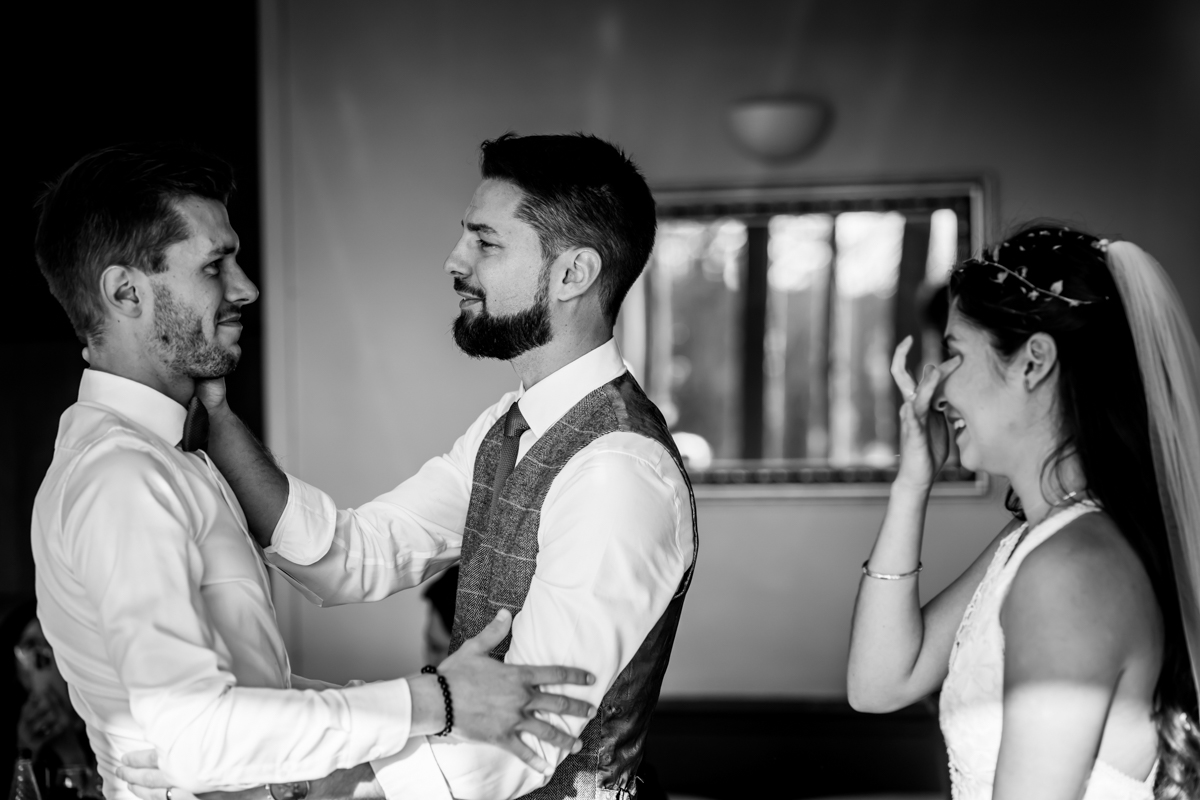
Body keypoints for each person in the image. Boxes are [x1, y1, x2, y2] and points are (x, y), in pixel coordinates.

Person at [124, 132, 698, 800]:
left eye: (485, 242)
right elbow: (357, 552)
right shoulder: (505, 429)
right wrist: (219, 423)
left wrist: (298, 779)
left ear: (573, 273)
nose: (455, 261)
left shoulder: (619, 472)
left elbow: (529, 735)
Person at [30, 143, 598, 800]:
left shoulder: (165, 455)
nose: (246, 287)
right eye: (216, 266)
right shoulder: (123, 478)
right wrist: (436, 700)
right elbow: (195, 737)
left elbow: (246, 693)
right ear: (126, 292)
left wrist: (430, 708)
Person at [847, 225, 1199, 798]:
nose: (936, 390)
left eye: (954, 353)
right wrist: (912, 486)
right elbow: (879, 684)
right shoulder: (1035, 539)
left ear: (1033, 362)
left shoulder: (1071, 570)